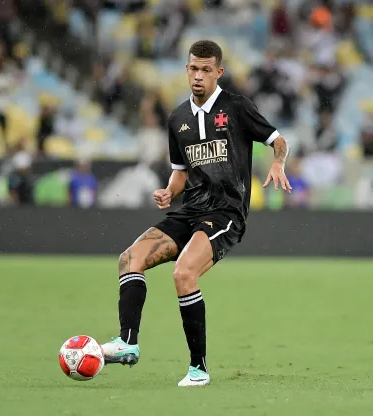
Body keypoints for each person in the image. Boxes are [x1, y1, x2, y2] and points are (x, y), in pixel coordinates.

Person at [101, 40, 292, 387]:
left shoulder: (237, 107)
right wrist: (168, 191)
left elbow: (278, 139)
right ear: (186, 70)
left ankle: (198, 369)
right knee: (129, 258)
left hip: (225, 213)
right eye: (193, 68)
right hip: (189, 209)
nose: (199, 75)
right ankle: (127, 343)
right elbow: (180, 171)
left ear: (219, 72)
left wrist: (278, 163)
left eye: (206, 69)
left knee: (183, 273)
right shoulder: (177, 118)